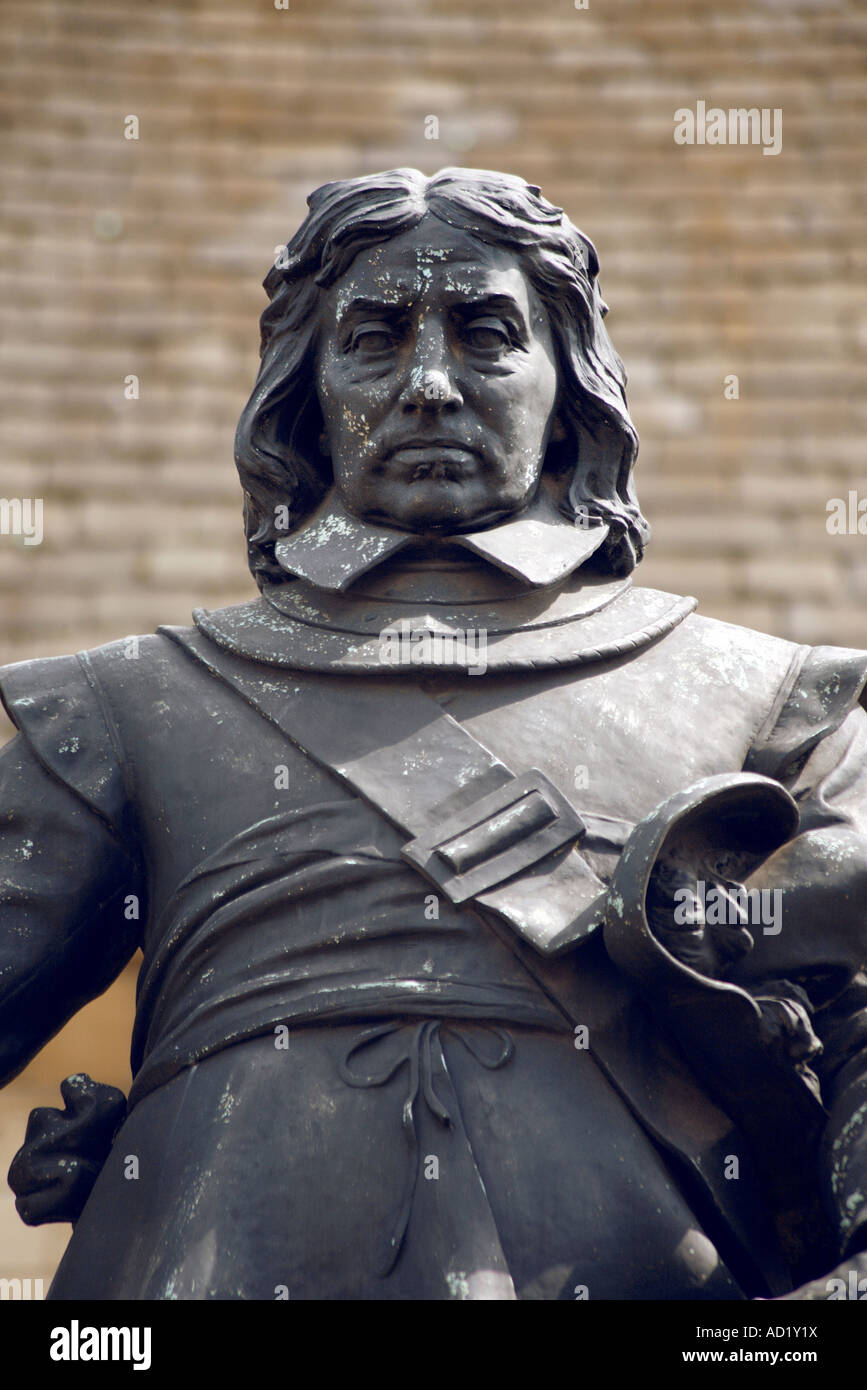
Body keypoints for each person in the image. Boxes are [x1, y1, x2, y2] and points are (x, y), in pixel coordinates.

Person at [2, 167, 867, 1301]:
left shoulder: (777, 704)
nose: (426, 385)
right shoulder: (121, 708)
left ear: (573, 385)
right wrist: (179, 1126)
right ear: (304, 389)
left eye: (486, 333)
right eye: (371, 338)